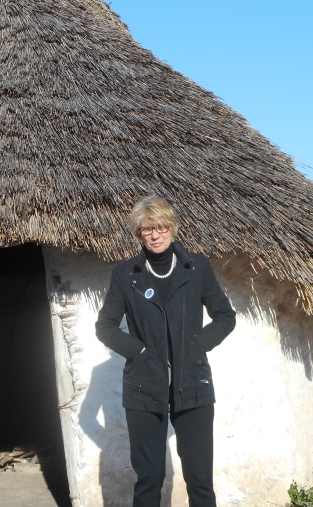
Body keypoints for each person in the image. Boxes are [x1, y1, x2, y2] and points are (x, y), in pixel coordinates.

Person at [95, 196, 236, 507]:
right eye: (147, 229)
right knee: (149, 479)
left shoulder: (197, 267)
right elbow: (105, 326)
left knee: (200, 481)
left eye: (160, 227)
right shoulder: (125, 274)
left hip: (193, 385)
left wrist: (197, 344)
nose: (155, 235)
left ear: (172, 228)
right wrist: (139, 351)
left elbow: (225, 316)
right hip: (143, 386)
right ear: (138, 234)